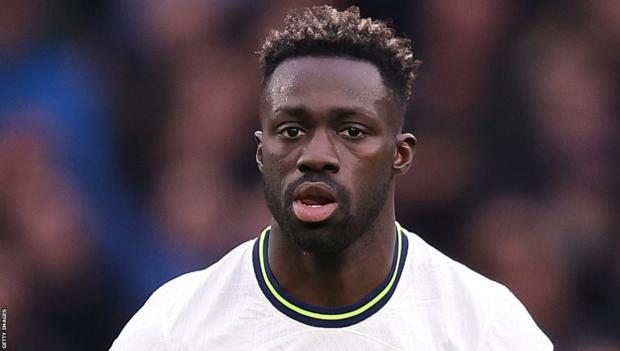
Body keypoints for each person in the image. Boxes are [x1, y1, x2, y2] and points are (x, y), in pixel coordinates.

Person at [110, 6, 552, 350]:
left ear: (400, 155)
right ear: (262, 152)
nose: (316, 156)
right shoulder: (174, 329)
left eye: (352, 131)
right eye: (292, 131)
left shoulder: (486, 329)